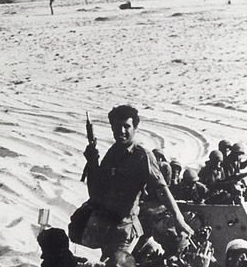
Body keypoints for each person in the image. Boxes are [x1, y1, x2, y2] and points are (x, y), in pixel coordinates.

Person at [80, 104, 191, 258]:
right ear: (112, 128)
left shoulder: (142, 156)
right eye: (117, 126)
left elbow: (162, 190)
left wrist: (179, 219)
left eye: (127, 126)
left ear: (135, 128)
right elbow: (96, 193)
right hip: (107, 228)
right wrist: (92, 163)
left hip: (125, 228)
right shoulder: (112, 153)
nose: (122, 131)